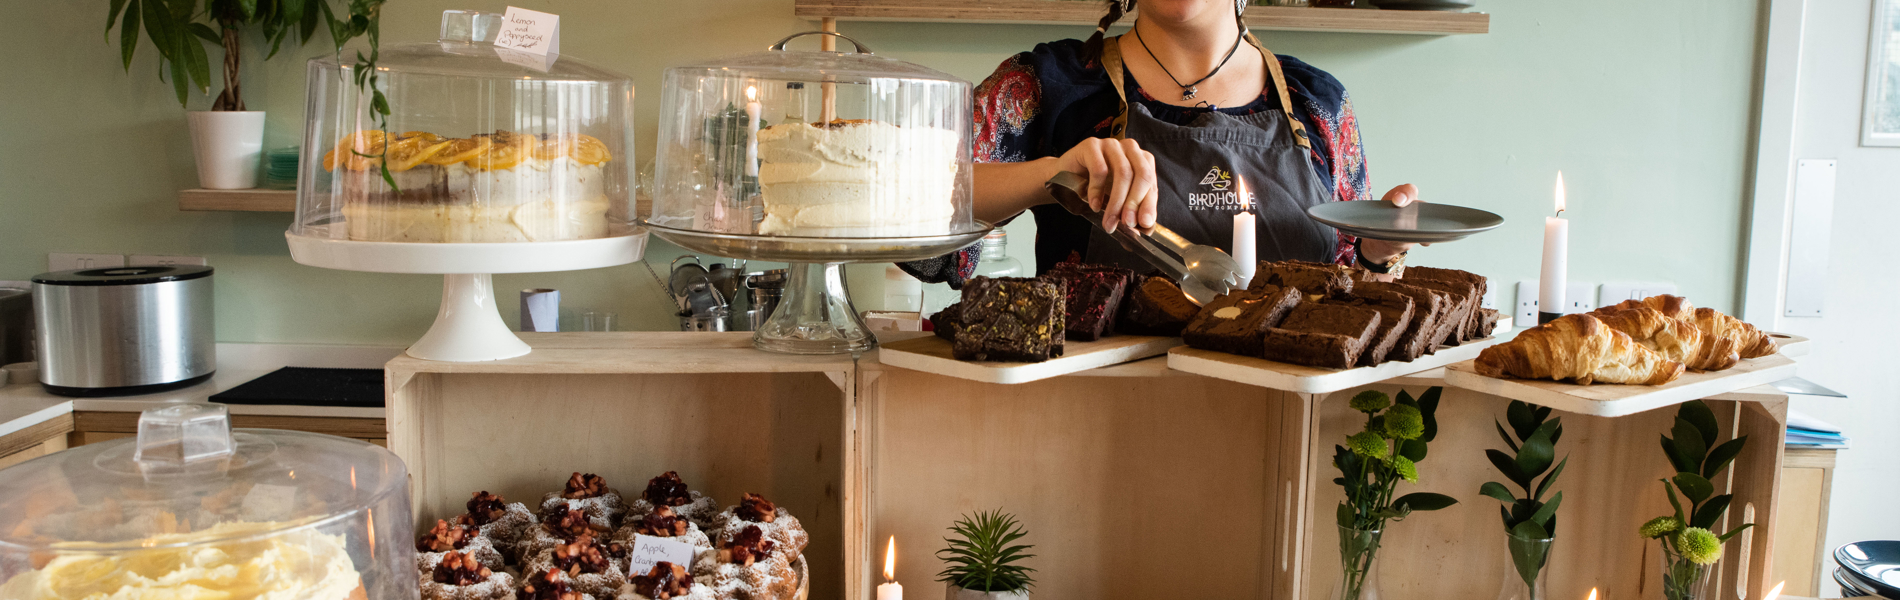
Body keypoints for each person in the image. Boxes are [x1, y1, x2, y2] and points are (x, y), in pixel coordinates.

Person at [903, 0, 1423, 286]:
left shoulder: (1320, 103)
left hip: (1283, 429)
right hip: (1088, 421)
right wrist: (1052, 176)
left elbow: (1354, 289)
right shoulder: (1050, 84)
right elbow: (905, 209)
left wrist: (1379, 252)